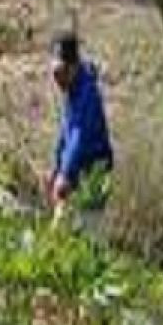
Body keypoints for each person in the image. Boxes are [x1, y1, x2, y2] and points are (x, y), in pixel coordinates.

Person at [47, 33, 114, 220]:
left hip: (93, 172)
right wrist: (57, 168)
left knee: (89, 232)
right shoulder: (73, 90)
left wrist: (65, 174)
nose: (57, 80)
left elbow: (79, 137)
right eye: (53, 74)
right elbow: (65, 134)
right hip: (77, 171)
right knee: (63, 233)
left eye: (60, 73)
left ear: (74, 67)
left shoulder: (87, 94)